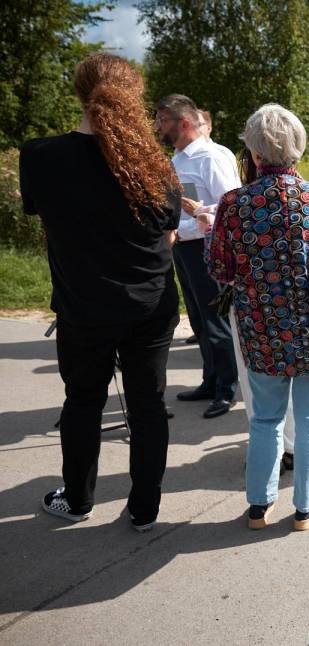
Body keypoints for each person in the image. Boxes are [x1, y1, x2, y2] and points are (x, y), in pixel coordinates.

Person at [20, 52, 181, 532]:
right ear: (134, 98)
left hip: (85, 305)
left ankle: (77, 499)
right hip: (150, 303)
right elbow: (168, 232)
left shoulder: (40, 156)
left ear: (79, 94)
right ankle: (144, 510)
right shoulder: (155, 165)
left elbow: (44, 213)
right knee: (147, 405)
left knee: (83, 400)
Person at [208, 104, 309, 531]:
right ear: (298, 148)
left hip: (261, 330)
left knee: (264, 420)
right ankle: (304, 507)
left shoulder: (233, 204)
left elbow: (219, 268)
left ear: (254, 152)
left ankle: (259, 507)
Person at [155, 94, 241, 419]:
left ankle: (226, 389)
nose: (158, 126)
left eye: (163, 120)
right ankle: (211, 380)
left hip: (207, 248)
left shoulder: (211, 158)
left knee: (216, 321)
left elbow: (231, 208)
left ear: (184, 122)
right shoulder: (177, 159)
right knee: (199, 319)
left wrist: (191, 220)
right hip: (183, 248)